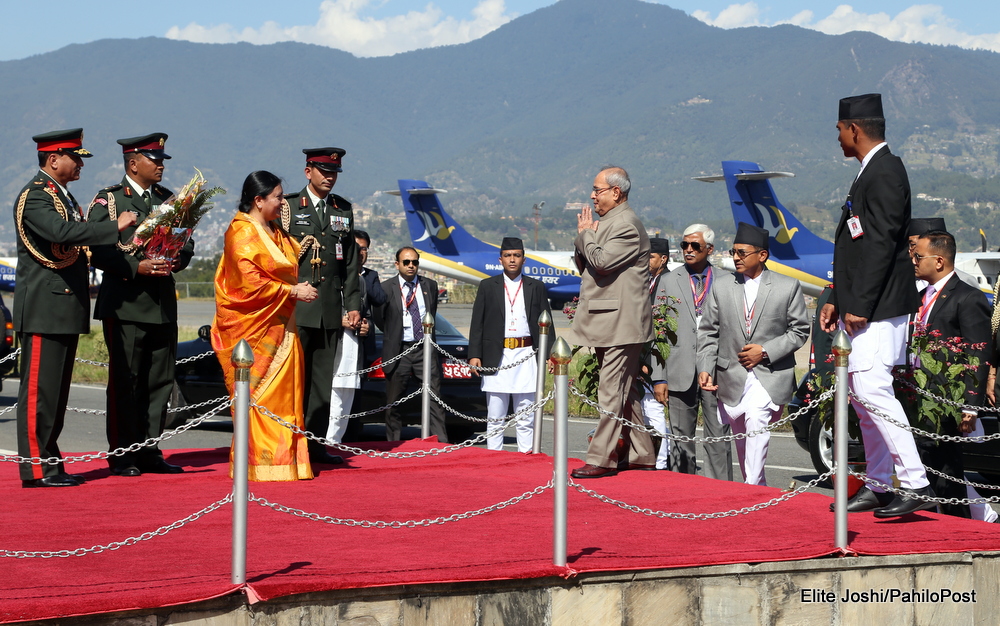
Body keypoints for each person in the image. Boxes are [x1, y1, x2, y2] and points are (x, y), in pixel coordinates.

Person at [819, 92, 934, 518]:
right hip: (863, 302)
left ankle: (916, 482)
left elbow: (883, 243)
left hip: (880, 305)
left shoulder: (885, 170)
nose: (838, 138)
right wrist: (837, 297)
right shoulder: (870, 171)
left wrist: (861, 303)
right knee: (860, 396)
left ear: (855, 129)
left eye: (839, 130)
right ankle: (880, 483)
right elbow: (856, 246)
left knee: (872, 389)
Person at [13, 128, 136, 488]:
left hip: (63, 308)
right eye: (74, 157)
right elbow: (61, 234)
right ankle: (37, 470)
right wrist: (115, 226)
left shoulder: (61, 196)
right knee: (39, 393)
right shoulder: (36, 196)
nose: (80, 163)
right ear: (54, 160)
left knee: (55, 394)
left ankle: (50, 463)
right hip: (44, 309)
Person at [88, 133, 193, 476]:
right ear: (133, 163)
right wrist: (137, 267)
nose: (161, 165)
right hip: (126, 303)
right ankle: (123, 453)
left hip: (161, 301)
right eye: (155, 159)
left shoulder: (168, 199)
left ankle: (150, 449)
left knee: (159, 380)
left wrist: (179, 259)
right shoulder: (111, 201)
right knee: (127, 379)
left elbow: (185, 243)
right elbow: (98, 252)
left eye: (162, 159)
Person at [212, 171, 317, 481]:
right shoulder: (240, 233)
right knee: (259, 397)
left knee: (284, 398)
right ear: (258, 200)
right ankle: (261, 463)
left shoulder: (274, 231)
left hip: (283, 324)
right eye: (278, 197)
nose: (283, 203)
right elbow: (247, 284)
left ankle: (287, 463)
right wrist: (292, 290)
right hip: (254, 329)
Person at [697, 223, 809, 486]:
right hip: (731, 377)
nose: (735, 257)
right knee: (742, 441)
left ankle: (750, 490)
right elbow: (707, 332)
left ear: (762, 255)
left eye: (742, 252)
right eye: (733, 251)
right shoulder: (721, 287)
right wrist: (705, 367)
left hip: (769, 376)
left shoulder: (787, 286)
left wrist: (766, 351)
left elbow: (800, 330)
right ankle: (758, 489)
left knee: (757, 420)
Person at [569, 166, 656, 478]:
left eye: (598, 190)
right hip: (610, 320)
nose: (592, 196)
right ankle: (642, 453)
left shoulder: (627, 225)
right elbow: (587, 263)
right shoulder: (608, 222)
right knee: (625, 390)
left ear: (616, 192)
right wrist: (587, 238)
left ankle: (601, 458)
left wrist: (585, 235)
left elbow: (602, 262)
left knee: (610, 389)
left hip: (622, 323)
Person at [285, 147, 361, 465]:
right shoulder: (289, 207)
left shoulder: (342, 210)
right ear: (308, 172)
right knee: (293, 382)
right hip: (297, 310)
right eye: (324, 171)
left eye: (334, 173)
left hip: (329, 311)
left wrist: (353, 304)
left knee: (321, 385)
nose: (329, 177)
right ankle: (290, 445)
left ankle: (314, 445)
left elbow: (351, 264)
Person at [911, 230, 990, 519]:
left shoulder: (968, 298)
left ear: (940, 261)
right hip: (917, 396)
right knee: (924, 470)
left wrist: (970, 406)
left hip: (947, 400)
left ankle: (959, 529)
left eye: (918, 256)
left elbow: (977, 355)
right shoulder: (918, 297)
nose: (914, 261)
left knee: (947, 473)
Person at [661, 224, 734, 480]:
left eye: (695, 246)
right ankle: (681, 491)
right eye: (684, 245)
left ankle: (721, 494)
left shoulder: (728, 281)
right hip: (678, 369)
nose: (688, 251)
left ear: (710, 249)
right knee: (680, 442)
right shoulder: (668, 280)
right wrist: (660, 377)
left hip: (716, 371)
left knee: (719, 439)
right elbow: (658, 332)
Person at [468, 237, 552, 452]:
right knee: (496, 414)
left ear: (524, 259)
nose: (512, 260)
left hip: (526, 354)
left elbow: (546, 323)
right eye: (508, 256)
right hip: (497, 354)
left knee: (526, 413)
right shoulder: (488, 286)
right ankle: (493, 456)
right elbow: (477, 322)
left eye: (516, 255)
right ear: (500, 259)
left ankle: (526, 455)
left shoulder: (536, 286)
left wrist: (549, 354)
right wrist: (474, 354)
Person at [374, 247, 448, 442]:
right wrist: (395, 334)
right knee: (394, 401)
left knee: (434, 399)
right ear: (397, 264)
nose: (411, 266)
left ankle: (440, 442)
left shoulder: (429, 285)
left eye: (414, 262)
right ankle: (394, 444)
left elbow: (431, 313)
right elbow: (380, 319)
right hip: (399, 349)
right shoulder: (386, 287)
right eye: (406, 262)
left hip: (424, 348)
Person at [326, 229, 386, 443]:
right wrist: (337, 319)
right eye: (356, 249)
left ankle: (339, 443)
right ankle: (327, 443)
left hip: (355, 348)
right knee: (332, 399)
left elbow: (368, 311)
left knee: (348, 399)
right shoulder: (330, 275)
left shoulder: (362, 281)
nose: (360, 253)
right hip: (333, 348)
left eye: (363, 250)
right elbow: (317, 309)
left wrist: (366, 326)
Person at [643, 236, 672, 469]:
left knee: (655, 412)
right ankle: (655, 457)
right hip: (645, 357)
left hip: (661, 359)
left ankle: (661, 462)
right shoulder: (647, 280)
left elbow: (665, 328)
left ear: (663, 259)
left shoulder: (669, 281)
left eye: (650, 256)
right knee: (648, 411)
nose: (645, 260)